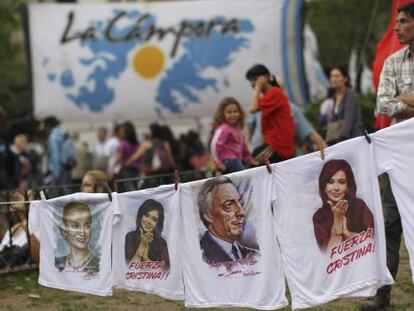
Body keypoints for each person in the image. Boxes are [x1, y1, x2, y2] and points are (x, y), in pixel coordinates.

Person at [361, 3, 414, 310]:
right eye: (396, 22)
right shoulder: (393, 62)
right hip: (401, 157)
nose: (396, 28)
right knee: (390, 223)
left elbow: (393, 101)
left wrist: (403, 100)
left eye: (403, 22)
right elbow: (382, 104)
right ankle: (382, 295)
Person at [246, 76, 326, 159]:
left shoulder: (292, 109)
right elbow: (248, 126)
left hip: (277, 155)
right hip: (256, 153)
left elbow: (309, 132)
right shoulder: (260, 105)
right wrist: (248, 145)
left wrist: (327, 151)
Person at [313, 159, 374, 252]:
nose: (336, 188)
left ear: (348, 186)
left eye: (341, 182)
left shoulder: (360, 206)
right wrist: (337, 224)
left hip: (364, 264)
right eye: (330, 182)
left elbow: (373, 240)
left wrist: (348, 234)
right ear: (323, 187)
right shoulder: (319, 216)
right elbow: (328, 256)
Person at [197, 176, 259, 265]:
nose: (241, 213)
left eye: (240, 203)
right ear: (208, 216)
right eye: (229, 205)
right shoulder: (200, 257)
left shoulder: (255, 255)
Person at [245, 64, 295, 163]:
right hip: (274, 145)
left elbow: (253, 108)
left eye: (255, 79)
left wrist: (258, 87)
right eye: (250, 81)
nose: (252, 84)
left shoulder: (275, 93)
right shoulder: (268, 96)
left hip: (278, 147)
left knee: (252, 164)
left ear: (267, 77)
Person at [210, 97, 256, 174]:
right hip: (228, 161)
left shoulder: (238, 129)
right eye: (229, 112)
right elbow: (215, 144)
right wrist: (217, 162)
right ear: (222, 114)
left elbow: (243, 146)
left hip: (237, 160)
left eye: (235, 111)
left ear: (240, 113)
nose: (233, 114)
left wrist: (249, 159)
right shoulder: (223, 129)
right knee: (244, 176)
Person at [55, 202, 99, 276]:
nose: (82, 232)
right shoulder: (57, 263)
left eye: (87, 226)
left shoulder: (99, 265)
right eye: (75, 226)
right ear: (64, 230)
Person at [124, 199, 170, 270]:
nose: (148, 221)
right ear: (141, 215)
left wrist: (146, 258)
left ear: (158, 223)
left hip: (156, 281)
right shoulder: (130, 237)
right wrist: (142, 244)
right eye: (146, 215)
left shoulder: (162, 243)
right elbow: (129, 269)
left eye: (154, 219)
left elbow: (165, 272)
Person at [323, 67, 362, 145]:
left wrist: (340, 141)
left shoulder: (351, 96)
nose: (334, 79)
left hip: (352, 139)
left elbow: (348, 121)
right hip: (339, 141)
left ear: (345, 79)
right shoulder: (334, 98)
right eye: (332, 76)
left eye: (337, 76)